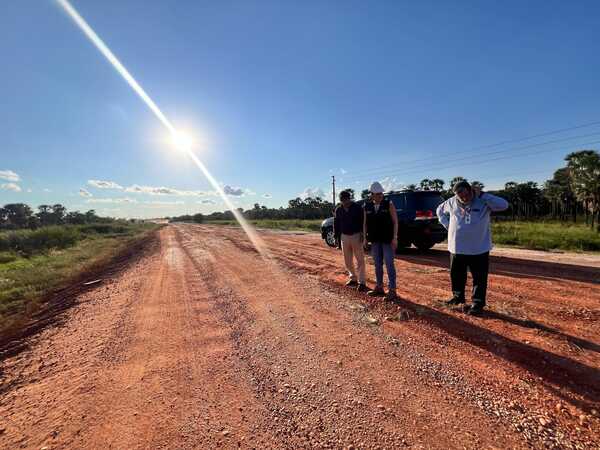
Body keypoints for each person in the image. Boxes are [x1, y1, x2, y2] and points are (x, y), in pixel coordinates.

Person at [436, 180, 509, 316]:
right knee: (457, 275)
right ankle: (458, 297)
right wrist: (448, 226)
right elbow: (439, 211)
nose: (464, 198)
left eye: (466, 194)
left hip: (479, 248)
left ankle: (477, 303)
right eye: (460, 195)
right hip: (457, 248)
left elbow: (504, 205)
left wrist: (482, 194)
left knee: (479, 278)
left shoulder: (483, 201)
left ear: (472, 191)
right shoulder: (451, 202)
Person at [363, 181, 398, 301]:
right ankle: (379, 287)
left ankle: (392, 289)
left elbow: (395, 222)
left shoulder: (389, 204)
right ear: (371, 194)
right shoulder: (367, 206)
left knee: (389, 264)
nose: (380, 196)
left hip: (387, 240)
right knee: (377, 265)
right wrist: (364, 239)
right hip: (375, 240)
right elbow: (365, 224)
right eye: (377, 194)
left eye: (381, 193)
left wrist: (395, 237)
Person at [334, 190, 368, 292]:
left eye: (346, 199)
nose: (345, 202)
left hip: (356, 235)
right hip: (344, 236)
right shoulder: (338, 210)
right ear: (340, 200)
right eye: (343, 200)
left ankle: (362, 282)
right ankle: (353, 278)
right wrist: (336, 238)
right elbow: (336, 224)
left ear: (350, 198)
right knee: (347, 260)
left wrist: (363, 234)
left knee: (360, 260)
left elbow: (363, 222)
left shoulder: (357, 208)